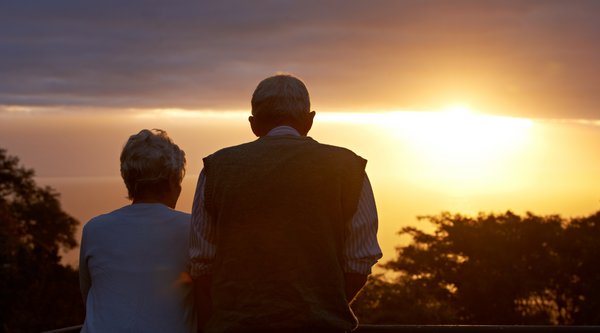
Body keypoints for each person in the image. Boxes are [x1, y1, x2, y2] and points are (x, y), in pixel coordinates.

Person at [190, 73, 382, 333]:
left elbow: (202, 266)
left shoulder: (215, 169)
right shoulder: (349, 168)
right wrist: (318, 309)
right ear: (310, 121)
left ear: (253, 124)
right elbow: (360, 262)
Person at [79, 129, 197, 333]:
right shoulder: (191, 228)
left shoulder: (94, 229)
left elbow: (90, 295)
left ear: (127, 178)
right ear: (171, 180)